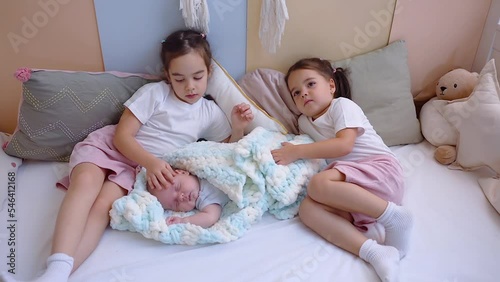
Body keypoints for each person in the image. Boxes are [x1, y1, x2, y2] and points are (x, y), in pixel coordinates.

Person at [0, 29, 253, 282]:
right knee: (86, 185)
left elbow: (224, 150)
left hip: (134, 171)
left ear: (209, 72)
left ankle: (59, 274)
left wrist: (238, 127)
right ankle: (57, 263)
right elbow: (123, 136)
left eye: (198, 77)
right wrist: (152, 162)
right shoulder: (156, 94)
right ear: (167, 76)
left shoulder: (208, 112)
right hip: (110, 147)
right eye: (179, 79)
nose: (190, 86)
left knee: (102, 208)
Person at [271, 58, 413, 282]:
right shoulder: (304, 123)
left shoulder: (342, 106)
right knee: (308, 209)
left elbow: (344, 145)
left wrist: (298, 152)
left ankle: (395, 217)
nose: (304, 94)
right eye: (296, 93)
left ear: (331, 86)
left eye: (310, 85)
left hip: (381, 172)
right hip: (357, 196)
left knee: (318, 184)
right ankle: (375, 253)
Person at [147, 168, 229, 228]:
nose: (180, 197)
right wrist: (183, 221)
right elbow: (210, 218)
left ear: (182, 172)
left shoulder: (197, 166)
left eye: (177, 187)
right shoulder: (206, 200)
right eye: (176, 203)